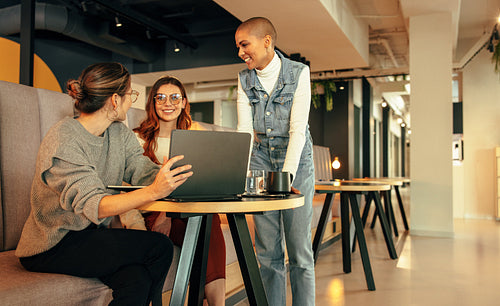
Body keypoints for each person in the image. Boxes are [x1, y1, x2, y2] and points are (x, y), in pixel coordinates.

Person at [15, 62, 193, 306]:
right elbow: (95, 205)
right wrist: (154, 191)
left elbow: (140, 168)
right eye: (131, 94)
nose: (132, 101)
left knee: (136, 279)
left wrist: (176, 174)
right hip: (52, 244)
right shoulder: (64, 138)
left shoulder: (118, 133)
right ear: (115, 101)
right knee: (158, 247)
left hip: (89, 235)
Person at [235, 17, 316, 306]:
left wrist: (287, 178)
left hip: (297, 161)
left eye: (245, 45)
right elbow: (245, 132)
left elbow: (297, 130)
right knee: (267, 253)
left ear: (267, 41)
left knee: (299, 251)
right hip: (261, 159)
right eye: (238, 47)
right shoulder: (244, 80)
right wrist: (242, 176)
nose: (241, 52)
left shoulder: (298, 73)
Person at [125, 75, 226, 306]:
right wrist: (163, 214)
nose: (167, 103)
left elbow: (199, 185)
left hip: (187, 210)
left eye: (174, 97)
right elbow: (129, 189)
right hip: (150, 212)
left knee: (208, 220)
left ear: (183, 103)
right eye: (160, 97)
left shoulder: (196, 137)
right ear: (152, 102)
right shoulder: (137, 138)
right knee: (202, 223)